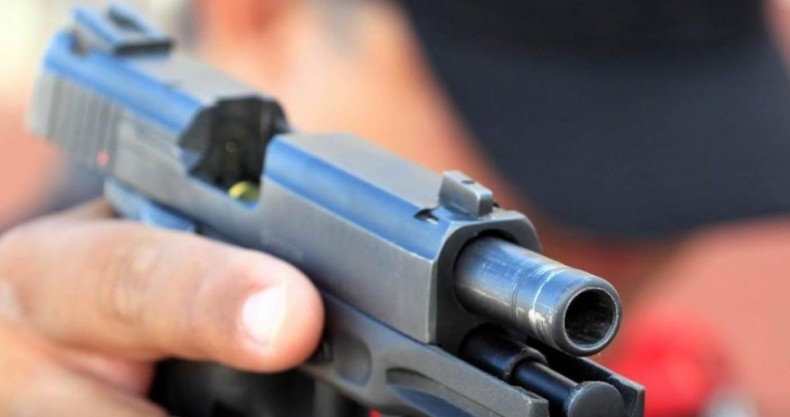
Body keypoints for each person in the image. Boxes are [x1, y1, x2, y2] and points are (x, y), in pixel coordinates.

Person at [1, 0, 789, 415]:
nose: (629, 236)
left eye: (693, 159)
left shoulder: (681, 381)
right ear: (260, 11)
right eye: (538, 121)